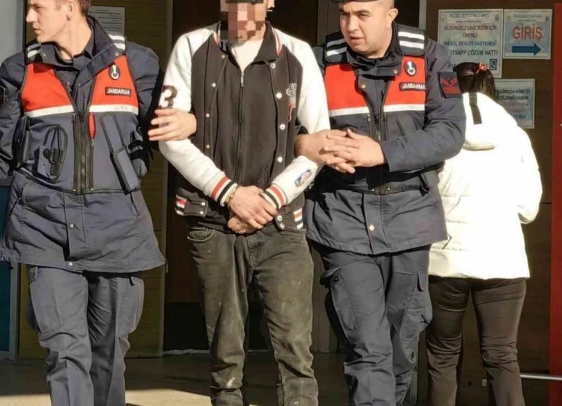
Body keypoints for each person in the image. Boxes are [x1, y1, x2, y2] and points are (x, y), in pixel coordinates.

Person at [0, 0, 165, 405]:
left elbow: (167, 133)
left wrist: (189, 124)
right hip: (46, 232)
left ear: (69, 7)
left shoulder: (135, 64)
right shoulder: (21, 71)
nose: (29, 17)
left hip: (119, 234)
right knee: (65, 353)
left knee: (108, 354)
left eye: (38, 8)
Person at [150, 0, 337, 404]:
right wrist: (230, 194)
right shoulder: (192, 46)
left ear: (269, 3)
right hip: (213, 221)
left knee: (295, 353)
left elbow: (318, 144)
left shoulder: (297, 54)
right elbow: (168, 136)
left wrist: (268, 200)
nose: (239, 10)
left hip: (281, 222)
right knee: (225, 357)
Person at [295, 0, 466, 404]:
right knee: (367, 349)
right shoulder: (319, 62)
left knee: (400, 350)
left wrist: (382, 153)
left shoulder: (427, 57)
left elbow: (449, 132)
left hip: (410, 221)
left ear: (391, 15)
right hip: (343, 220)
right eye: (344, 14)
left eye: (362, 15)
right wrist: (305, 144)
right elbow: (286, 129)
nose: (350, 26)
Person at [425, 62, 542, 406]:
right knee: (502, 355)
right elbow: (529, 209)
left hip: (444, 262)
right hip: (503, 262)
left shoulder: (437, 135)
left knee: (442, 354)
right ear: (491, 89)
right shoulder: (516, 137)